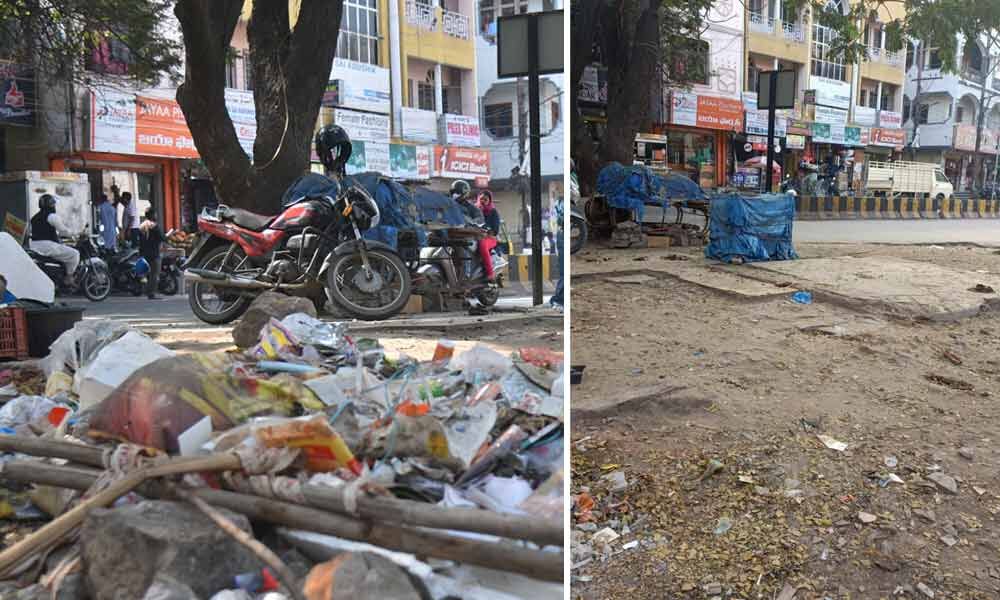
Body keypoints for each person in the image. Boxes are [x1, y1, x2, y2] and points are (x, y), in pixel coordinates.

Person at [29, 194, 80, 286]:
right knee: (74, 254)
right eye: (53, 204)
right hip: (47, 246)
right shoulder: (52, 216)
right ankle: (69, 277)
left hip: (34, 246)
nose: (54, 206)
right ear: (50, 205)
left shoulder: (34, 217)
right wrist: (75, 234)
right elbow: (63, 231)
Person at [138, 207, 166, 300]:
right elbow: (162, 237)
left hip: (144, 253)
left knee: (146, 273)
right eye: (155, 214)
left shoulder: (141, 225)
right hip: (154, 253)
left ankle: (146, 291)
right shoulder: (154, 226)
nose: (156, 216)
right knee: (154, 273)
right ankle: (151, 293)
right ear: (152, 215)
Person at [549, 194, 564, 309]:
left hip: (559, 236)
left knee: (563, 271)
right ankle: (559, 299)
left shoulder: (558, 204)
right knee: (563, 271)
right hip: (560, 236)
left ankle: (559, 299)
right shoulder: (559, 204)